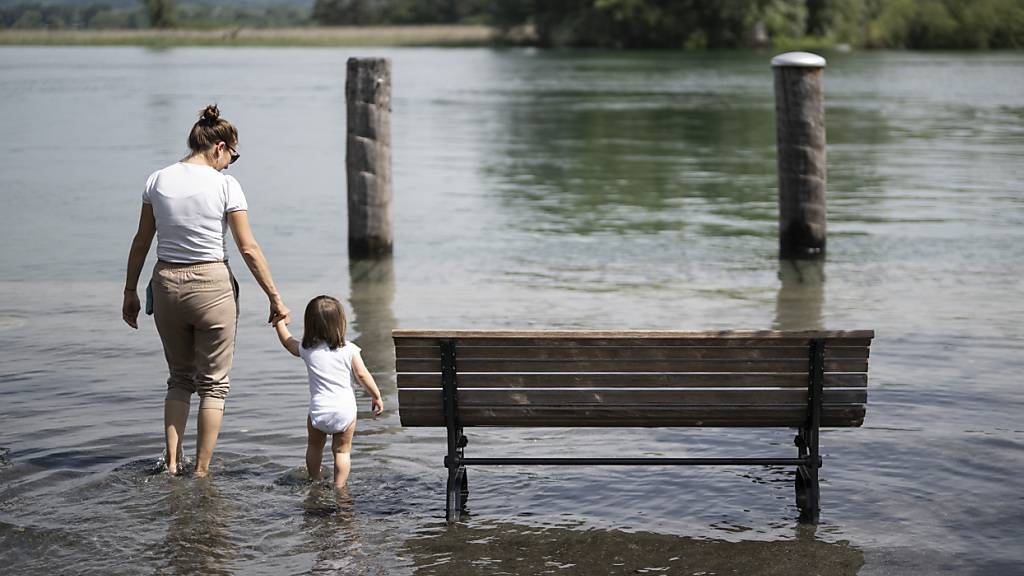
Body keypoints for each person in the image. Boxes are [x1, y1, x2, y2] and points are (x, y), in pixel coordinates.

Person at [122, 104, 289, 477]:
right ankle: (200, 470)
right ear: (219, 146)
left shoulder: (157, 180)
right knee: (213, 386)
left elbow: (141, 242)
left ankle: (171, 465)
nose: (231, 163)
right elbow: (248, 248)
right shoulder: (225, 185)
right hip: (212, 287)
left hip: (166, 284)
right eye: (233, 155)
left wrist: (129, 290)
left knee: (180, 378)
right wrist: (274, 296)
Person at [273, 295, 383, 489]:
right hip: (345, 412)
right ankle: (339, 486)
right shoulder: (349, 350)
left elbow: (288, 342)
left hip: (319, 410)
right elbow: (363, 375)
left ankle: (314, 480)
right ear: (340, 322)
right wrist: (376, 395)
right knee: (342, 452)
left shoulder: (308, 350)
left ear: (310, 324)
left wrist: (279, 322)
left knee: (314, 447)